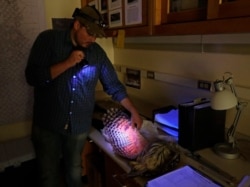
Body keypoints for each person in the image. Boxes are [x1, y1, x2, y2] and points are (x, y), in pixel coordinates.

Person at [25, 5, 142, 187]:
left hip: (79, 125)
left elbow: (113, 86)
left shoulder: (97, 53)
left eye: (96, 35)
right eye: (90, 33)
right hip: (48, 123)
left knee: (74, 170)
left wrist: (133, 111)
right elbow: (32, 77)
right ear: (77, 25)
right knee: (48, 175)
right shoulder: (47, 40)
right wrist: (68, 63)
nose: (93, 39)